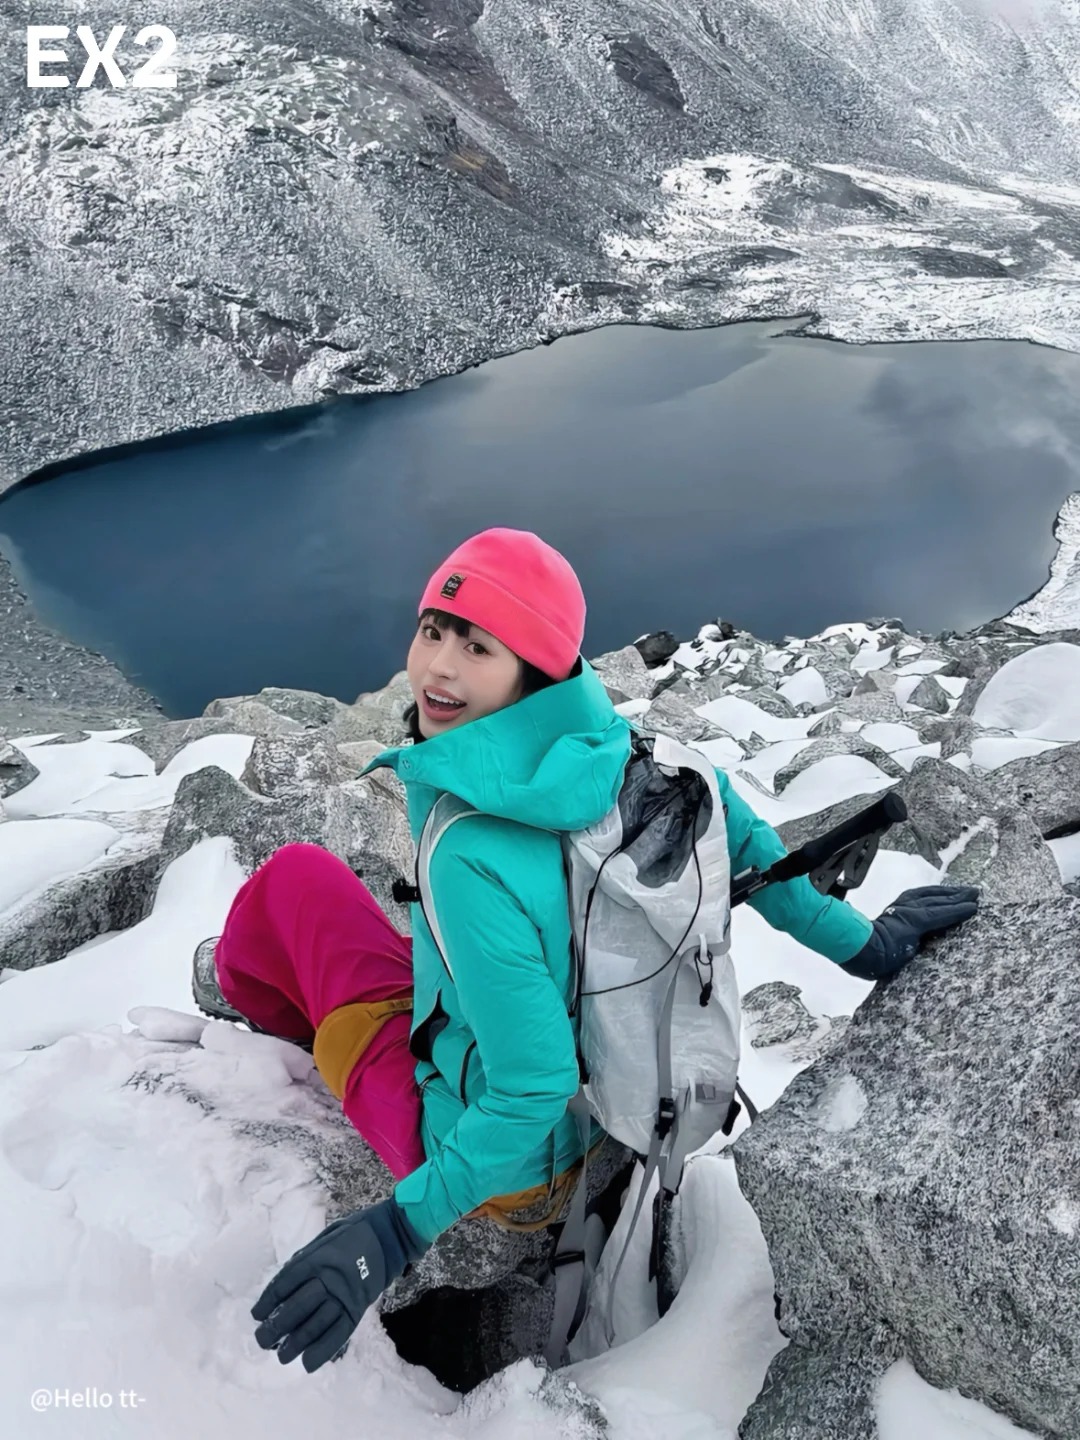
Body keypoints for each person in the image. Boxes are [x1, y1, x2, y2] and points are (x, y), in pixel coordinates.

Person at [191, 527, 979, 1377]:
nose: (438, 669)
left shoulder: (469, 852)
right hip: (621, 1107)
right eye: (433, 630)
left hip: (503, 1163)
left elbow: (531, 1088)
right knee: (372, 921)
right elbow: (766, 867)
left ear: (533, 671)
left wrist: (395, 1231)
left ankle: (247, 1001)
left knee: (296, 881)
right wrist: (871, 948)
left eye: (478, 647)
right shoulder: (658, 769)